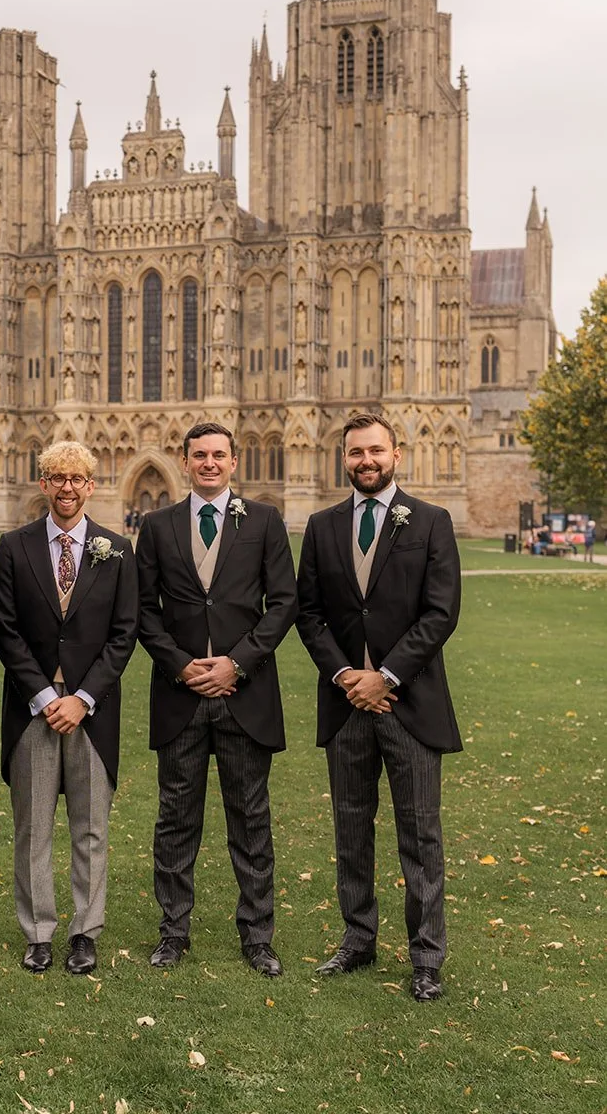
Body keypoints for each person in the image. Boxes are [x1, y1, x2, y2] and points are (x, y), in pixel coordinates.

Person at [296, 412, 462, 1003]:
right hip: (346, 706)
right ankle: (358, 938)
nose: (365, 461)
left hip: (409, 704)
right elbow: (308, 614)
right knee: (351, 830)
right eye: (355, 453)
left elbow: (440, 613)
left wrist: (385, 676)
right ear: (343, 459)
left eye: (375, 451)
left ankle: (426, 957)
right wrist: (346, 675)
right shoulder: (321, 526)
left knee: (420, 834)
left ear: (397, 454)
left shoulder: (432, 522)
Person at [136, 422, 297, 972]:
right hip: (180, 695)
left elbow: (283, 605)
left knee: (250, 819)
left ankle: (257, 936)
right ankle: (173, 933)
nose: (209, 463)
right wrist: (181, 666)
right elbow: (143, 611)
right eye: (199, 455)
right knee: (175, 819)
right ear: (185, 463)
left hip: (243, 695)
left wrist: (236, 664)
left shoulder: (265, 522)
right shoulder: (157, 526)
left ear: (235, 461)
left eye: (218, 455)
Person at [0, 441, 138, 975]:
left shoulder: (117, 549)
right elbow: (4, 631)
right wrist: (46, 695)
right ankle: (38, 932)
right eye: (57, 477)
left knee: (91, 827)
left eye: (77, 478)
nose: (67, 488)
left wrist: (82, 697)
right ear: (43, 484)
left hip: (92, 712)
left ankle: (85, 931)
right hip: (34, 709)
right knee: (33, 827)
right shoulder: (13, 547)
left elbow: (124, 635)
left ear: (91, 486)